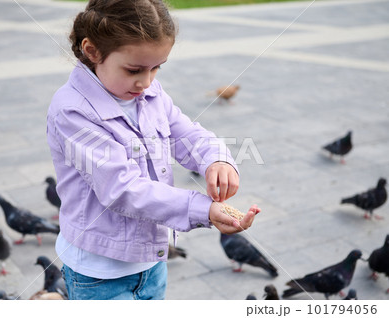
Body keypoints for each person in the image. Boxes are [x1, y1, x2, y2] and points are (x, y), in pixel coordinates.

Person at [46, 0, 260, 300]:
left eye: (156, 68)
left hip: (151, 260)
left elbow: (184, 132)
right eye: (134, 69)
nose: (146, 82)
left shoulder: (148, 92)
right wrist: (202, 210)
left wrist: (216, 159)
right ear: (92, 51)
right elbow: (122, 188)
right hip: (99, 271)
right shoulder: (73, 112)